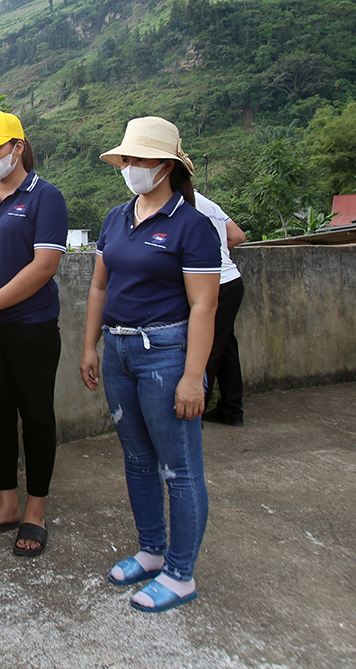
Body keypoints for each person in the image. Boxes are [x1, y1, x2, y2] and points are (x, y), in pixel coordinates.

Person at [79, 116, 221, 613]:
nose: (131, 167)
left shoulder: (193, 225)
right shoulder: (117, 218)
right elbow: (100, 285)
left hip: (166, 352)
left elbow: (204, 305)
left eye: (140, 159)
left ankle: (181, 573)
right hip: (118, 350)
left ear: (165, 167)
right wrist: (90, 345)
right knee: (138, 460)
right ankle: (151, 550)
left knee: (178, 468)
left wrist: (192, 376)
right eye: (127, 159)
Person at [0, 112, 68, 557]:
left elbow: (43, 266)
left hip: (31, 327)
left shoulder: (46, 197)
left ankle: (35, 510)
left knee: (37, 417)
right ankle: (6, 504)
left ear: (18, 147)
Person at [193, 192, 247, 427]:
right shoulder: (205, 202)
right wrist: (217, 252)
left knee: (207, 348)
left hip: (213, 283)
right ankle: (231, 409)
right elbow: (237, 236)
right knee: (225, 346)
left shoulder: (178, 202)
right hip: (231, 280)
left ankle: (195, 412)